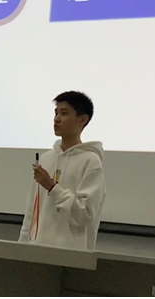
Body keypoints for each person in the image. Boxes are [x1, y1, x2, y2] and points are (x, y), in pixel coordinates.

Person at [18, 91, 106, 250]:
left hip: (71, 255)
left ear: (82, 119)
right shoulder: (46, 159)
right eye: (56, 113)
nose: (57, 119)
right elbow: (32, 211)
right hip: (37, 250)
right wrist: (22, 247)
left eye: (64, 113)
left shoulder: (91, 161)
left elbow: (85, 215)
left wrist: (52, 187)